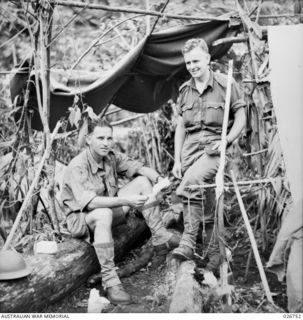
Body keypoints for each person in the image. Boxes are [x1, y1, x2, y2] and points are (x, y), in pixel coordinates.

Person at [60, 118, 179, 305]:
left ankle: (161, 238)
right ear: (89, 139)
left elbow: (139, 168)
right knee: (103, 213)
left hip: (107, 210)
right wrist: (127, 200)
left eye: (109, 138)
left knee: (142, 182)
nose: (106, 143)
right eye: (100, 138)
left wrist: (159, 179)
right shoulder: (78, 166)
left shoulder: (110, 157)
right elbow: (90, 204)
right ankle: (110, 281)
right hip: (81, 220)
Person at [171, 38, 246, 276]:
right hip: (190, 149)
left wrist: (227, 140)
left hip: (215, 147)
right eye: (188, 62)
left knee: (190, 184)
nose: (192, 66)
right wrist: (177, 160)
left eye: (196, 61)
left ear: (207, 59)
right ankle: (215, 256)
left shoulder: (226, 83)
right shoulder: (185, 90)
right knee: (206, 203)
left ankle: (188, 241)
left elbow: (241, 117)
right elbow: (181, 127)